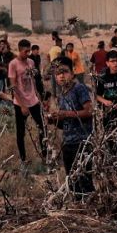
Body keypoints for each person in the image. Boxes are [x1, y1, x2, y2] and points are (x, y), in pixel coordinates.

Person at [46, 63, 96, 196]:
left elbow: (89, 111)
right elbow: (65, 123)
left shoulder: (79, 88)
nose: (61, 76)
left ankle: (89, 203)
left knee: (84, 179)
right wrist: (54, 120)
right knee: (72, 180)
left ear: (72, 74)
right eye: (58, 73)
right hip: (68, 142)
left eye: (65, 72)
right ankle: (78, 204)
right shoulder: (62, 94)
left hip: (82, 141)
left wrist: (65, 114)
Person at [8, 39, 46, 166]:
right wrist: (22, 105)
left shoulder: (31, 62)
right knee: (21, 132)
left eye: (29, 51)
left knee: (42, 127)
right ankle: (23, 159)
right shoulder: (13, 64)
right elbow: (13, 86)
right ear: (19, 50)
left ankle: (45, 155)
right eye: (26, 51)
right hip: (20, 102)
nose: (28, 53)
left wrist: (38, 96)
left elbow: (33, 80)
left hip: (33, 100)